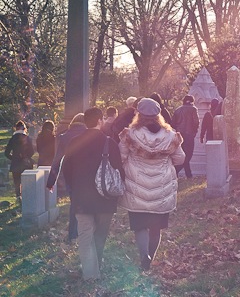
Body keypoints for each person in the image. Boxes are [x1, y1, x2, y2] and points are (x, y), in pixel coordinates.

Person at [119, 97, 185, 271]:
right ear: (159, 115)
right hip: (161, 189)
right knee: (156, 228)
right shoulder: (170, 135)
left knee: (140, 226)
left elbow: (121, 157)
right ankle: (151, 256)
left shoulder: (130, 134)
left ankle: (143, 256)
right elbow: (180, 158)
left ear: (138, 114)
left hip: (136, 187)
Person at [62, 107, 124, 280]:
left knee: (85, 235)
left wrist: (73, 190)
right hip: (105, 198)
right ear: (99, 121)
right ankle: (98, 266)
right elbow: (119, 169)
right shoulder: (109, 143)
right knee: (100, 235)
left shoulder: (74, 142)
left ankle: (90, 274)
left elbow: (66, 170)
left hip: (82, 197)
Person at [47, 113, 87, 242]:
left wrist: (50, 182)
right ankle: (85, 233)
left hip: (71, 175)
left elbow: (56, 161)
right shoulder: (90, 134)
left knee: (74, 205)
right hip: (88, 174)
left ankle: (73, 234)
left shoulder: (64, 137)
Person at [4, 121, 34, 201]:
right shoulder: (27, 138)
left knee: (17, 183)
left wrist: (13, 158)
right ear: (25, 129)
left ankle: (18, 197)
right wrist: (26, 157)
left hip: (15, 164)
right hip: (26, 164)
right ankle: (28, 198)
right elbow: (32, 151)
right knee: (27, 183)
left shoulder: (12, 139)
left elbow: (6, 153)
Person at [171, 95, 199, 178]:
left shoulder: (177, 110)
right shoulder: (193, 109)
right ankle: (175, 171)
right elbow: (196, 122)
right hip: (189, 134)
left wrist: (178, 129)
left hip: (180, 134)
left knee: (183, 154)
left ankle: (189, 175)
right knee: (188, 155)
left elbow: (172, 123)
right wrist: (195, 131)